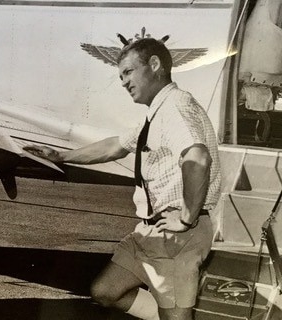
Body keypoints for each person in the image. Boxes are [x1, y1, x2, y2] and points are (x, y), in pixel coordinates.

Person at [24, 37, 221, 320]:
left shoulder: (176, 107)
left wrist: (187, 218)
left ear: (155, 65)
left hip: (177, 234)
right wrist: (61, 156)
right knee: (106, 291)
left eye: (128, 72)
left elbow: (198, 158)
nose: (123, 82)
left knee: (175, 315)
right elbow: (116, 146)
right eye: (120, 76)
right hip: (151, 231)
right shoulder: (156, 112)